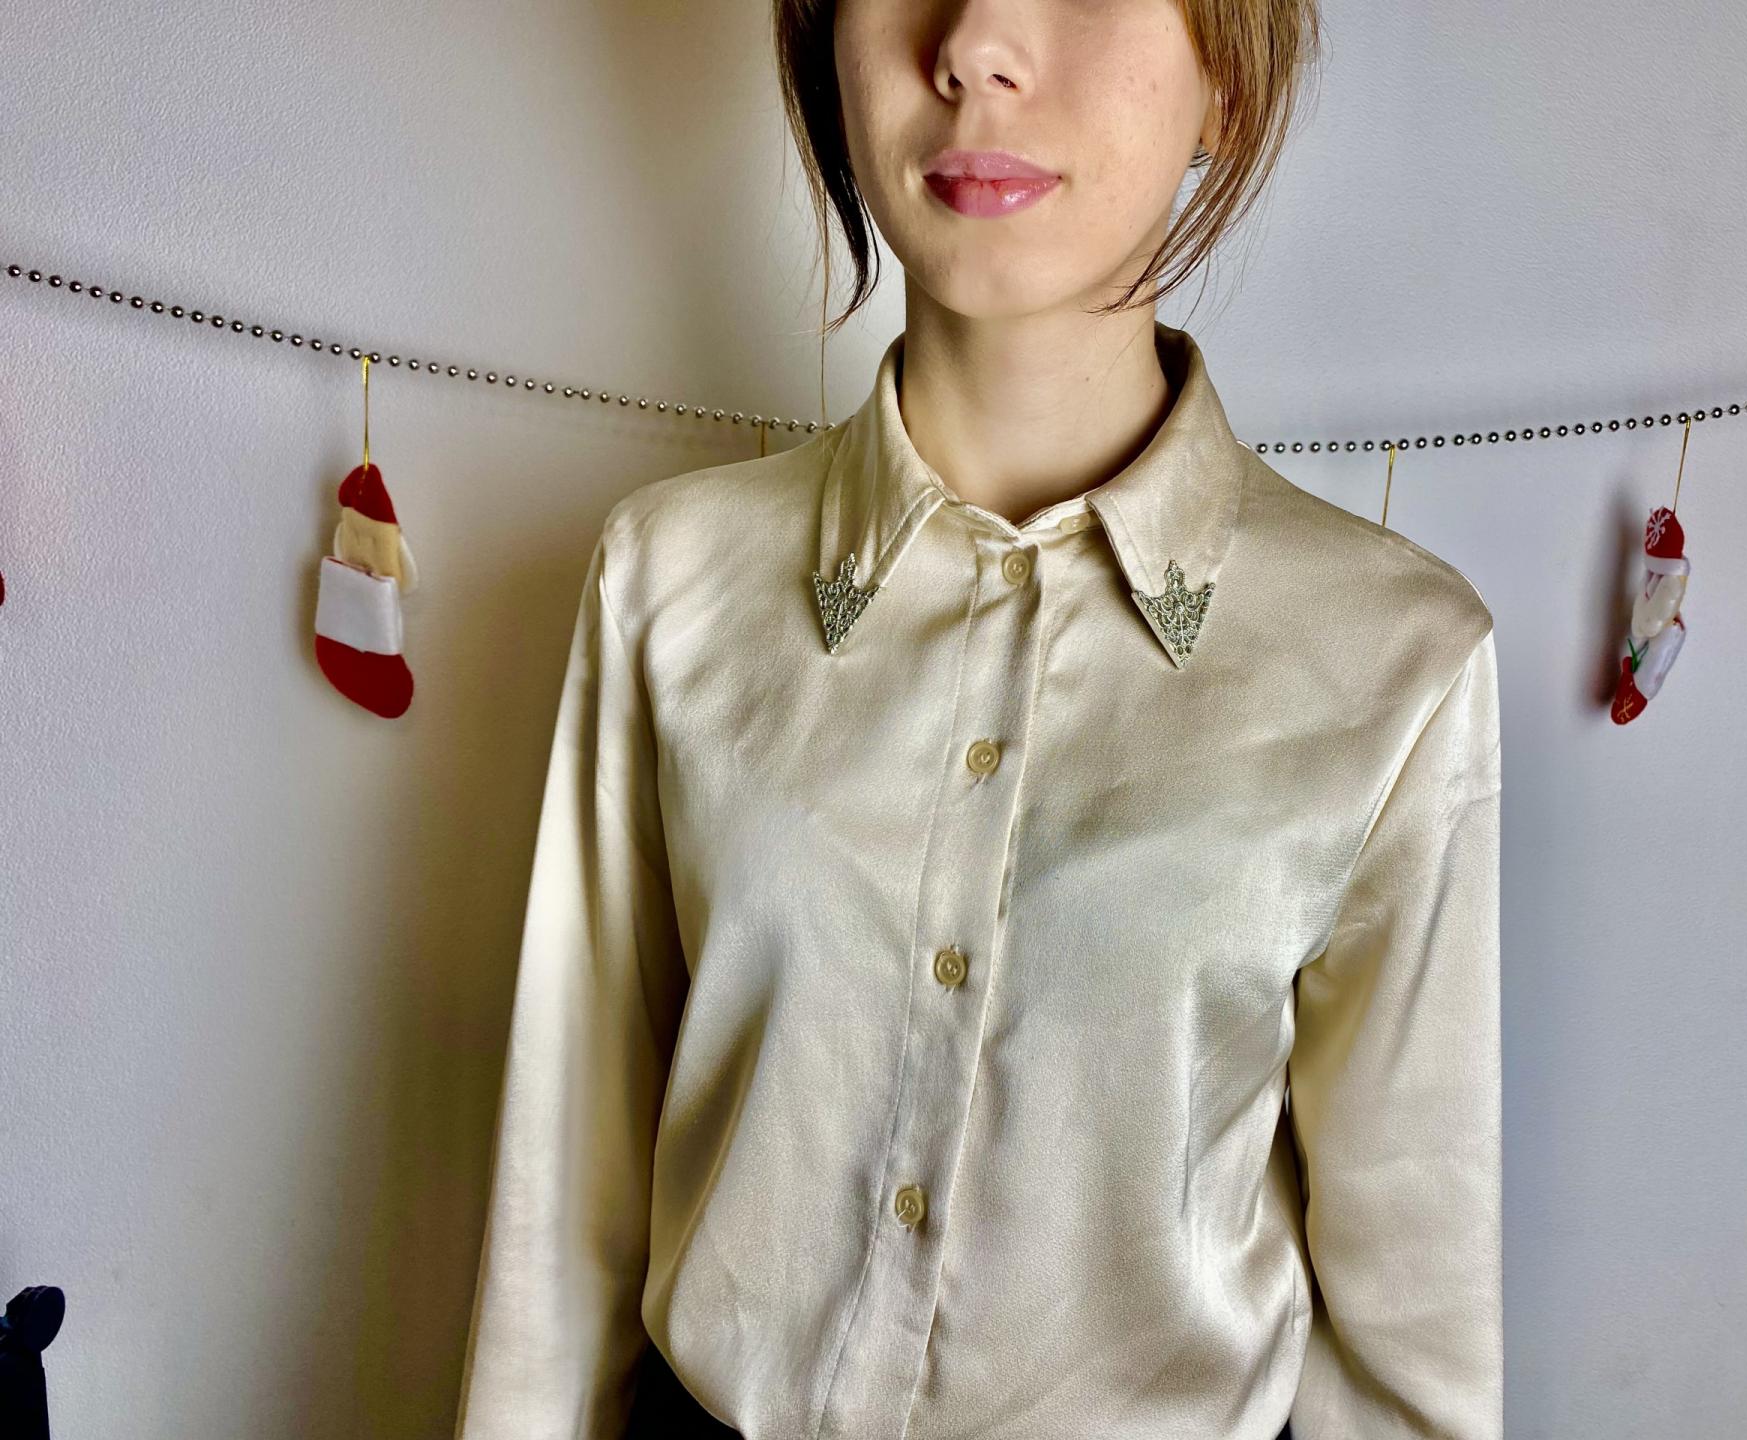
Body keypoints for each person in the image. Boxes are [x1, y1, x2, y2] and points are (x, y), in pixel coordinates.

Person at [454, 1, 1504, 1437]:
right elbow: (562, 1226)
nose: (976, 43)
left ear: (1228, 79)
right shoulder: (669, 580)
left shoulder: (1395, 660)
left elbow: (1410, 1346)